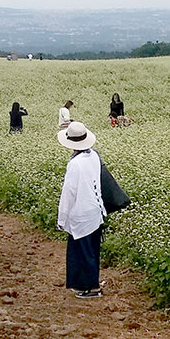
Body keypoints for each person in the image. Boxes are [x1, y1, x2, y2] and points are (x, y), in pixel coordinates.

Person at [57, 121, 106, 298]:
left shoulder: (75, 164)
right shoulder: (93, 155)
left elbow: (68, 193)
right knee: (91, 250)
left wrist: (61, 219)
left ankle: (91, 288)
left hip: (81, 213)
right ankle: (86, 284)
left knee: (82, 252)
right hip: (95, 210)